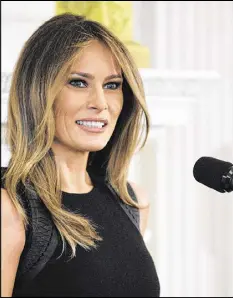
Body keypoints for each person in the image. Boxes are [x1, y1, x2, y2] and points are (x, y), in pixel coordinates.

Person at [1, 13, 160, 297]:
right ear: (37, 92)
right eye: (78, 82)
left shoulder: (132, 202)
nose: (100, 103)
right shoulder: (10, 207)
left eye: (112, 85)